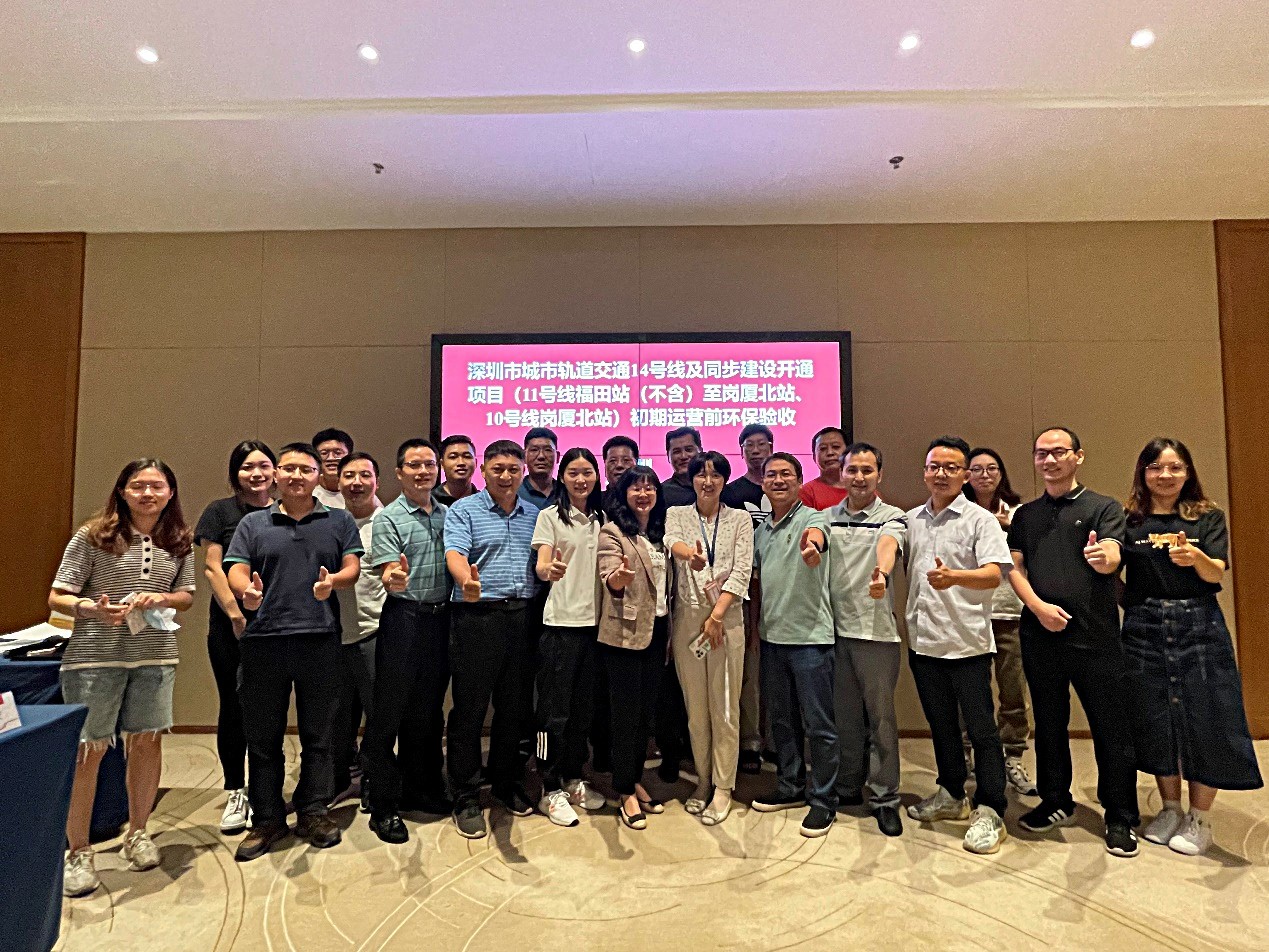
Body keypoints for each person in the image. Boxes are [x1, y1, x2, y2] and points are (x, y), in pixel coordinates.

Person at [51, 459, 196, 897]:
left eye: (157, 486)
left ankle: (138, 833)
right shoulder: (93, 535)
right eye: (138, 486)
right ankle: (78, 852)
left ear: (170, 492)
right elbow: (58, 596)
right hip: (95, 658)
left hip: (155, 655)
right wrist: (92, 609)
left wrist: (162, 597)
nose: (147, 494)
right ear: (122, 491)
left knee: (147, 743)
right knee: (89, 750)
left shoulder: (179, 539)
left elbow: (186, 596)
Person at [1121, 438, 1262, 856]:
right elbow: (1112, 572)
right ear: (1143, 473)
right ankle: (1169, 808)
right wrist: (1132, 603)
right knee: (1154, 715)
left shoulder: (1206, 516)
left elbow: (1217, 570)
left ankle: (1199, 817)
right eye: (1155, 467)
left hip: (1199, 622)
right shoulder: (1130, 519)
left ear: (1188, 472)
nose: (1165, 476)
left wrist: (1194, 557)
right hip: (1144, 626)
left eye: (1175, 467)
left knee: (1209, 713)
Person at [225, 442, 363, 860]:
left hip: (319, 639)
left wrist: (333, 582)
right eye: (288, 469)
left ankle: (313, 810)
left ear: (319, 476)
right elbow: (236, 568)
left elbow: (353, 567)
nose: (296, 476)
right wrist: (245, 591)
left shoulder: (338, 520)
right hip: (263, 641)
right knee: (262, 737)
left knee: (319, 734)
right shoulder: (253, 522)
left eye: (306, 469)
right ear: (276, 475)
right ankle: (267, 818)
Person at [1007, 426, 1141, 857]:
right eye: (1041, 453)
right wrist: (1038, 609)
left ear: (1078, 456)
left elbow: (1113, 553)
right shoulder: (1026, 515)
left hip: (1095, 635)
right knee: (1048, 724)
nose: (1049, 460)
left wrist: (1105, 559)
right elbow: (1014, 569)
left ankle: (1120, 815)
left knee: (1110, 726)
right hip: (1040, 634)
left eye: (1059, 452)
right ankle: (1055, 801)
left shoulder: (1103, 507)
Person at [902, 437, 1015, 855]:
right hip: (924, 640)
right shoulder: (911, 520)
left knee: (982, 731)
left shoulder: (979, 520)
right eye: (935, 466)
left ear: (965, 475)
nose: (942, 474)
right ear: (924, 472)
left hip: (967, 642)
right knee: (942, 725)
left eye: (951, 467)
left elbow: (995, 574)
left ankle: (991, 808)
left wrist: (955, 577)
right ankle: (951, 793)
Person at [444, 440, 541, 839]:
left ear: (523, 472)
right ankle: (466, 794)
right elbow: (455, 553)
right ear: (483, 471)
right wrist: (465, 580)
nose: (505, 476)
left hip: (522, 617)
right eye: (497, 468)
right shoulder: (464, 510)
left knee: (514, 709)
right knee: (469, 709)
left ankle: (505, 782)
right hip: (477, 617)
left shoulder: (535, 514)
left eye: (513, 469)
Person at [363, 439, 453, 844]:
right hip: (404, 619)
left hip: (441, 620)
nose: (423, 471)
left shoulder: (449, 514)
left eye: (429, 464)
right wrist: (392, 577)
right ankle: (383, 805)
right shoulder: (389, 518)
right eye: (414, 465)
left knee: (428, 712)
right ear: (399, 473)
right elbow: (387, 570)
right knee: (389, 714)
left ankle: (421, 789)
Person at [749, 452, 839, 838]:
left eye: (786, 474)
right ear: (763, 483)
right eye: (771, 475)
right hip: (772, 639)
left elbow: (818, 540)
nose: (778, 480)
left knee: (820, 725)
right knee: (782, 722)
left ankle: (824, 799)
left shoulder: (815, 519)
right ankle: (790, 786)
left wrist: (813, 549)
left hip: (811, 640)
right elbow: (754, 583)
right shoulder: (760, 531)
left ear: (800, 481)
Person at [665, 451, 752, 825]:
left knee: (725, 709)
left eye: (716, 475)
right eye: (701, 474)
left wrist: (717, 616)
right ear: (691, 479)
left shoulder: (740, 519)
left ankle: (723, 788)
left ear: (725, 480)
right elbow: (672, 541)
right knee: (697, 712)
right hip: (688, 620)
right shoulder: (677, 514)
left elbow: (742, 570)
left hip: (726, 619)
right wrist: (691, 557)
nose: (708, 481)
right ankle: (703, 781)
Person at [193, 440, 275, 837]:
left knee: (270, 708)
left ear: (275, 471)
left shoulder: (285, 511)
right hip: (232, 624)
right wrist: (236, 614)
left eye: (263, 465)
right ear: (235, 474)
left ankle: (265, 791)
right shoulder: (220, 511)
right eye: (246, 467)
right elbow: (212, 568)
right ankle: (235, 790)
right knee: (234, 706)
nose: (256, 473)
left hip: (278, 625)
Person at [827, 442, 907, 837]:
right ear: (841, 473)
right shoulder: (825, 518)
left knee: (881, 720)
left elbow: (888, 546)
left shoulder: (892, 517)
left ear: (879, 475)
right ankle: (847, 785)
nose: (859, 477)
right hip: (833, 631)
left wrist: (882, 572)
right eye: (852, 470)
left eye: (867, 470)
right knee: (844, 718)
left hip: (876, 634)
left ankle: (884, 797)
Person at [531, 447, 607, 826]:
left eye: (587, 472)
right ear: (562, 477)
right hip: (560, 626)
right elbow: (542, 562)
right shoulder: (550, 516)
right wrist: (548, 570)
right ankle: (549, 788)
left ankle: (574, 777)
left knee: (582, 712)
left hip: (596, 628)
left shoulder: (603, 518)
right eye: (573, 472)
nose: (581, 479)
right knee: (553, 713)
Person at [596, 466, 673, 830]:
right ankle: (624, 790)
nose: (643, 494)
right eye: (636, 488)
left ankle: (635, 778)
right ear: (623, 494)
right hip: (624, 635)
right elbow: (609, 574)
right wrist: (619, 578)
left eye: (649, 488)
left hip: (658, 631)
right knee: (625, 715)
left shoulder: (660, 533)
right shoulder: (613, 532)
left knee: (645, 714)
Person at [962, 447, 1036, 796]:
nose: (984, 475)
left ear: (1001, 473)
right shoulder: (958, 511)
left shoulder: (1019, 513)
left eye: (992, 468)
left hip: (1010, 612)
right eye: (976, 469)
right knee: (969, 692)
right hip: (969, 612)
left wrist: (1008, 528)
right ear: (966, 475)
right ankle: (966, 755)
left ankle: (1013, 757)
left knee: (1013, 692)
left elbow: (1029, 557)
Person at [331, 452, 386, 811]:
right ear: (337, 482)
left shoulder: (388, 522)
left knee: (378, 714)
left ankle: (373, 780)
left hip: (374, 631)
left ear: (377, 480)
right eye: (348, 475)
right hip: (331, 633)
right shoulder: (328, 522)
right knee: (335, 715)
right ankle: (339, 778)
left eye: (364, 475)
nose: (356, 483)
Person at [720, 423, 774, 774]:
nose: (756, 450)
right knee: (749, 674)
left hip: (783, 589)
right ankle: (751, 742)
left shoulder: (788, 491)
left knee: (781, 673)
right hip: (744, 589)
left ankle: (779, 742)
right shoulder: (732, 492)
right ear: (741, 451)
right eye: (749, 445)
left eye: (761, 444)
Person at [800, 427, 849, 511]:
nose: (830, 453)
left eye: (836, 447)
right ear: (814, 457)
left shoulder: (862, 487)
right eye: (822, 448)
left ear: (848, 453)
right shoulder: (806, 492)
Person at [312, 427, 353, 509]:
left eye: (338, 453)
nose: (331, 458)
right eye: (324, 453)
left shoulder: (358, 489)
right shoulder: (308, 490)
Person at [518, 427, 559, 510]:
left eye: (547, 450)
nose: (541, 456)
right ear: (524, 456)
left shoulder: (567, 492)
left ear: (557, 457)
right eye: (534, 450)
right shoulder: (514, 492)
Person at [434, 435, 480, 508]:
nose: (461, 462)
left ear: (476, 463)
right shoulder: (429, 501)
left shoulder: (484, 502)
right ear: (442, 464)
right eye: (453, 457)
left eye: (467, 456)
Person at [662, 426, 702, 507]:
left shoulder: (716, 488)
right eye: (677, 452)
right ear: (668, 457)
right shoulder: (660, 493)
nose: (683, 456)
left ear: (700, 451)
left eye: (689, 450)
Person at [601, 435, 640, 516]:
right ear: (605, 465)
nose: (619, 465)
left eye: (626, 460)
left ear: (636, 463)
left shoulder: (647, 501)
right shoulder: (594, 503)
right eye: (613, 461)